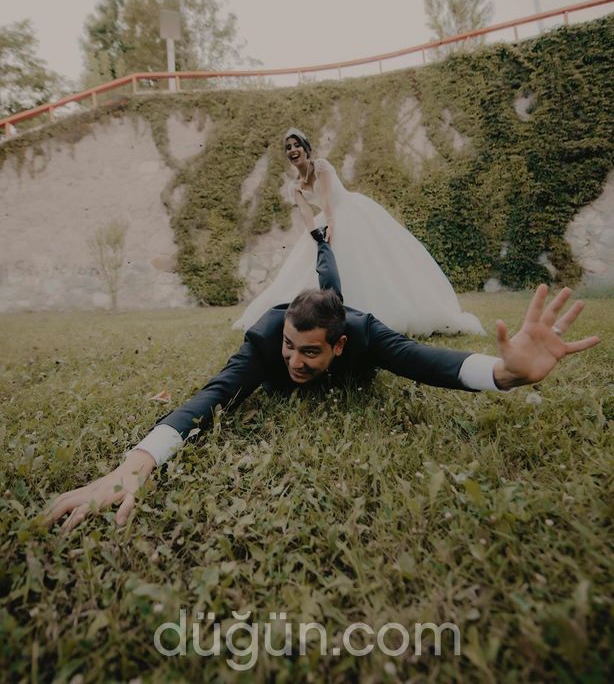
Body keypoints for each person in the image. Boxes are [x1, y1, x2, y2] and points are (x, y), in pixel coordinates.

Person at [46, 240, 599, 533]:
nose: (293, 360)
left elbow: (433, 364)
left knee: (335, 288)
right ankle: (321, 248)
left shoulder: (364, 334)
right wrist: (133, 467)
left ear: (337, 347)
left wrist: (507, 375)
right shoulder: (267, 340)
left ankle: (326, 253)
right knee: (315, 291)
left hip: (347, 313)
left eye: (309, 351)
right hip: (296, 316)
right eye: (291, 346)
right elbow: (208, 400)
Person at [233, 127, 485, 336]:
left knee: (368, 262)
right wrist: (316, 235)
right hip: (325, 219)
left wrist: (331, 225)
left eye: (296, 144)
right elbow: (307, 213)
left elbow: (327, 200)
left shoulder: (321, 166)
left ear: (306, 147)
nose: (292, 150)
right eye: (288, 147)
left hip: (349, 212)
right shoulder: (295, 186)